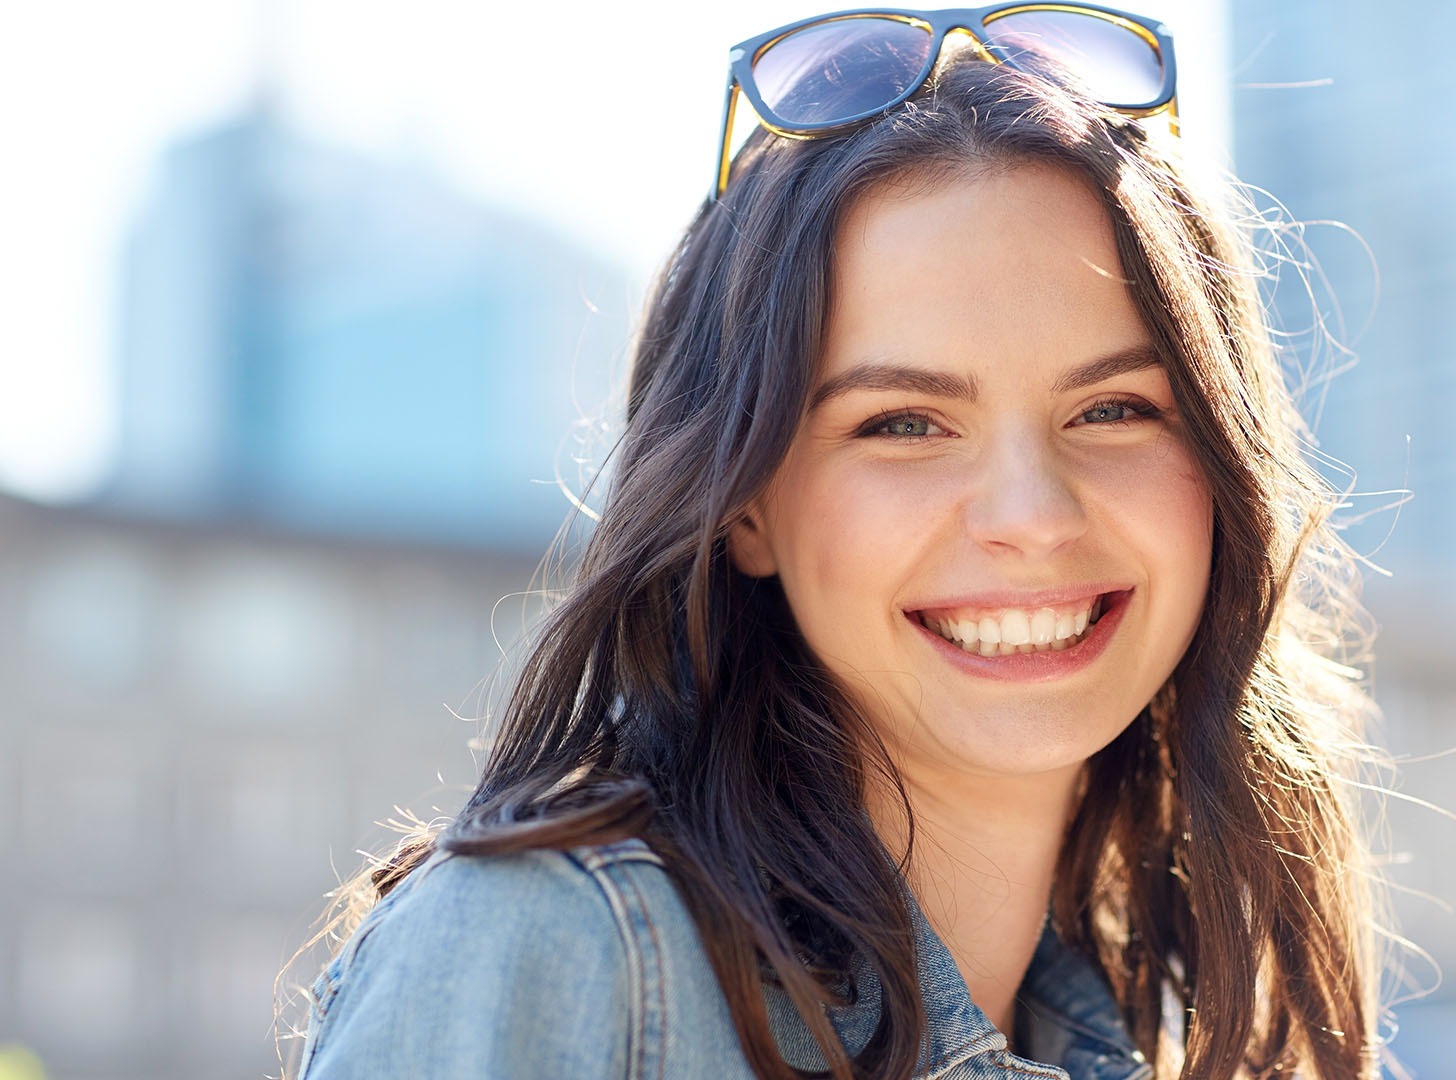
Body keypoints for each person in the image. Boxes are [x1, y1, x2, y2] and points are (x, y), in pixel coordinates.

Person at [285, 5, 1399, 1078]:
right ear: (744, 505)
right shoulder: (560, 956)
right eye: (903, 424)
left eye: (1114, 409)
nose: (1033, 515)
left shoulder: (1181, 1038)